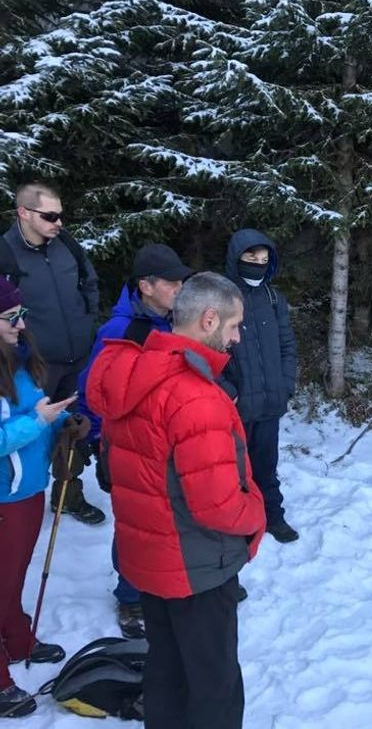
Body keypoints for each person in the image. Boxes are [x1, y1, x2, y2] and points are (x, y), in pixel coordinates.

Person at [86, 272, 266, 729]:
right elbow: (218, 504)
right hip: (196, 567)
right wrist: (256, 516)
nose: (237, 337)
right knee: (213, 684)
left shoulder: (135, 374)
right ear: (209, 319)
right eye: (234, 326)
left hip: (150, 559)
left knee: (166, 670)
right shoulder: (194, 395)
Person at [76, 243, 193, 639]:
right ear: (146, 285)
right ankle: (129, 597)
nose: (180, 286)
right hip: (127, 445)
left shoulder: (181, 321)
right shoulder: (120, 330)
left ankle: (168, 581)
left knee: (170, 515)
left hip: (169, 441)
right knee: (134, 522)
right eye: (172, 281)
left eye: (182, 279)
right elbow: (93, 387)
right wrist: (93, 436)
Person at [0, 277, 85, 717]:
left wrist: (63, 422)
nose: (20, 324)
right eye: (9, 317)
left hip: (26, 490)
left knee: (11, 576)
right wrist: (38, 421)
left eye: (21, 315)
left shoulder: (19, 358)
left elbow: (36, 406)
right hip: (3, 494)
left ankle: (16, 637)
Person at [2, 182, 103, 525]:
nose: (58, 222)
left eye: (60, 214)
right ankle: (20, 503)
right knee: (31, 431)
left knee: (71, 433)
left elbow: (88, 281)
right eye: (50, 216)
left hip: (77, 356)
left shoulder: (66, 245)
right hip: (36, 366)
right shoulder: (5, 254)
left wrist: (86, 321)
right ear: (24, 213)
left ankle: (68, 497)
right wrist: (23, 352)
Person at [220, 229, 298, 543]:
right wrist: (228, 393)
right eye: (251, 257)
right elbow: (208, 351)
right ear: (236, 258)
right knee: (234, 470)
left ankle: (272, 516)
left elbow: (287, 346)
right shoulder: (221, 299)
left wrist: (285, 384)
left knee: (266, 466)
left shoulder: (273, 298)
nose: (258, 264)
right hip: (236, 408)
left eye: (264, 259)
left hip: (269, 404)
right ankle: (239, 524)